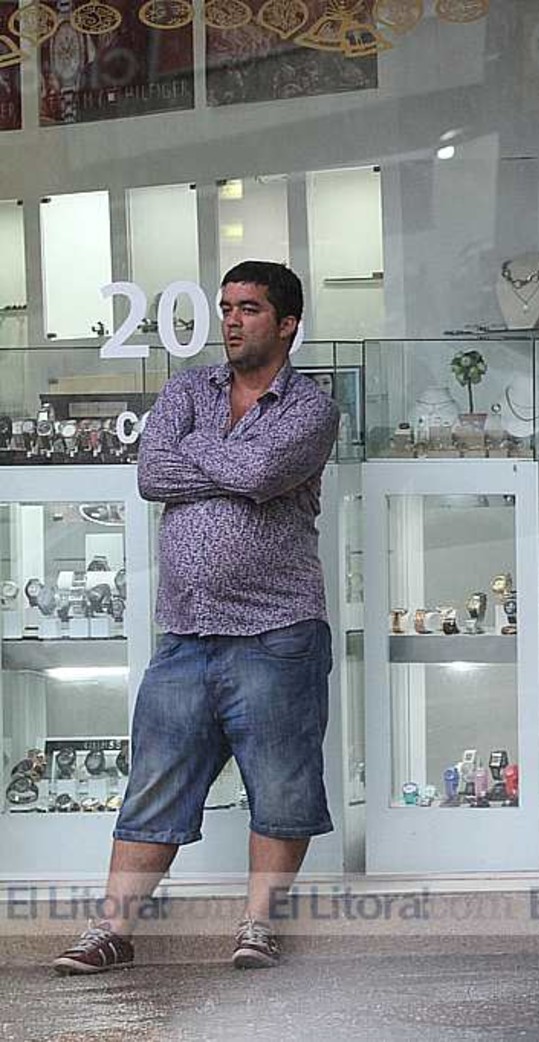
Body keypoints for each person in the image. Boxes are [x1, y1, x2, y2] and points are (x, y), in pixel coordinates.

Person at [52, 261, 341, 975]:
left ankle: (258, 927)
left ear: (288, 323)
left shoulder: (312, 408)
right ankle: (111, 932)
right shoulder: (185, 389)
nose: (232, 319)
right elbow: (153, 475)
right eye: (226, 307)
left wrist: (206, 455)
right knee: (155, 782)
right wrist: (232, 459)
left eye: (249, 308)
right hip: (184, 631)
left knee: (279, 786)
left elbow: (261, 475)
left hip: (278, 630)